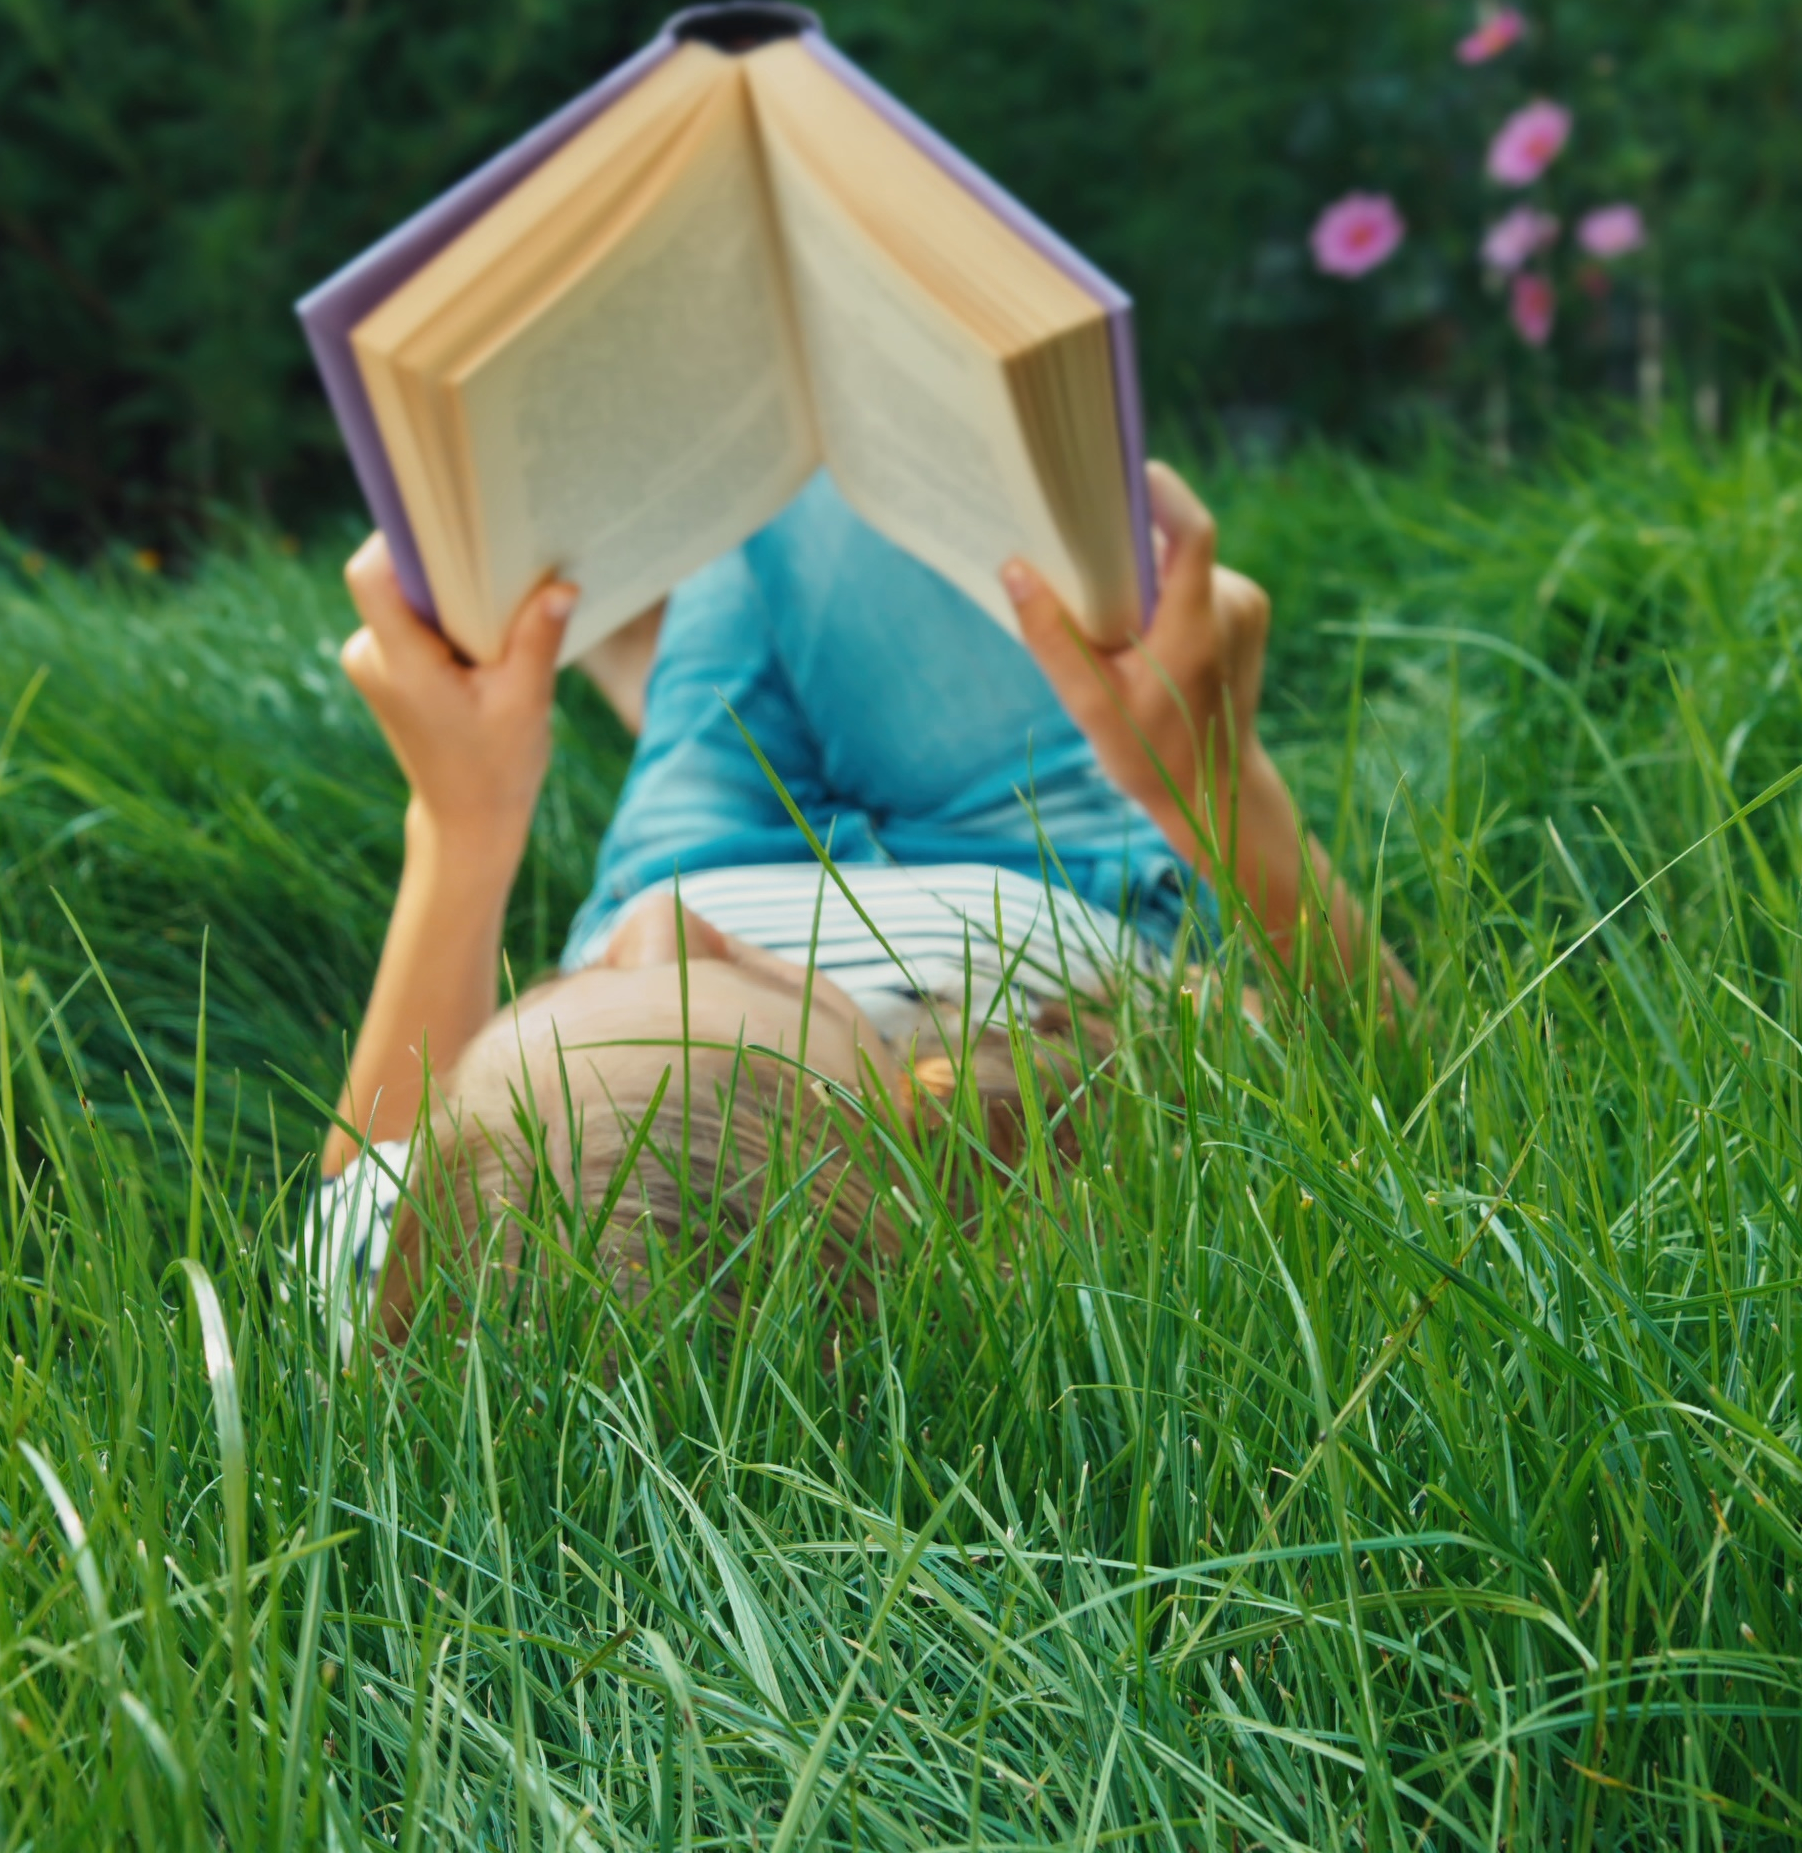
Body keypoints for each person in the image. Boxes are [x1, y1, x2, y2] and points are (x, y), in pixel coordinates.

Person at [305, 464, 1397, 1354]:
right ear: (904, 1118)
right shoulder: (1061, 1160)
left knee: (733, 501)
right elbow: (1385, 1064)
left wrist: (462, 826)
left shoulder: (444, 1287)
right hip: (1025, 851)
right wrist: (1214, 780)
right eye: (761, 979)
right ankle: (680, 651)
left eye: (573, 981)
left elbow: (371, 1165)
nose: (659, 931)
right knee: (817, 478)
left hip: (693, 849)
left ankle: (675, 661)